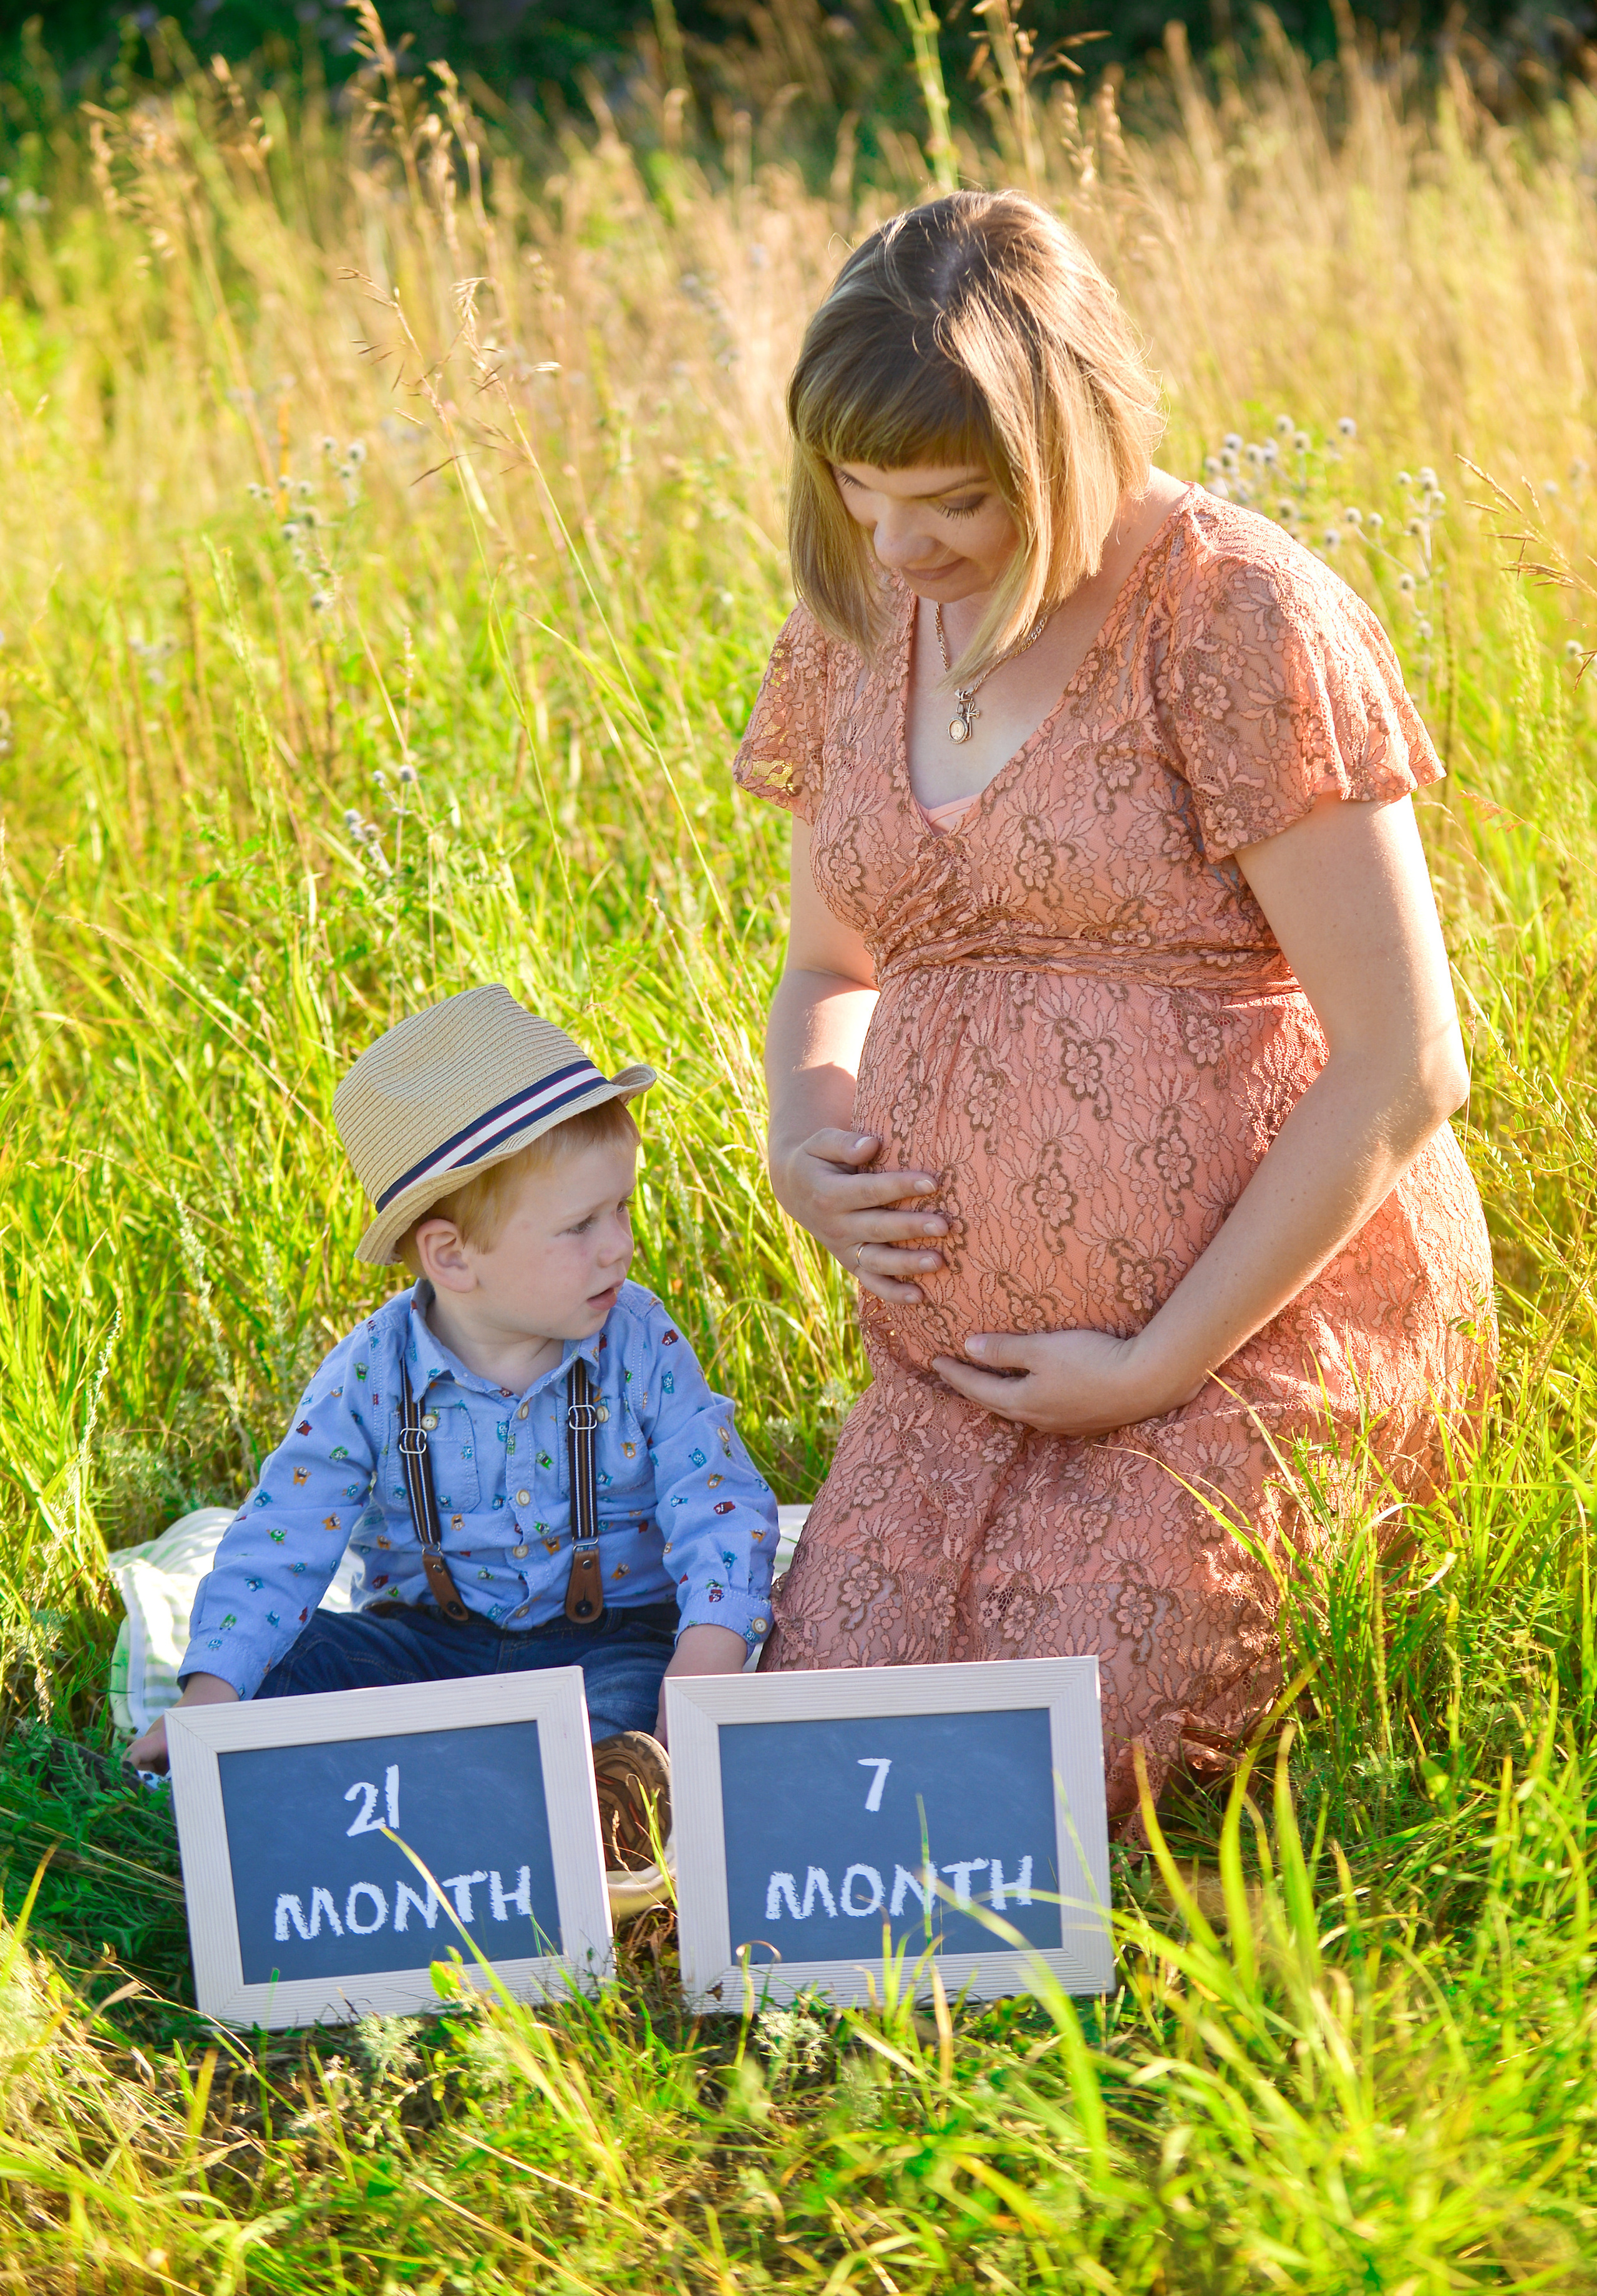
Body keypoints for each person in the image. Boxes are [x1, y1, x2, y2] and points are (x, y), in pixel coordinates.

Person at [735, 190, 1495, 1829]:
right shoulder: (862, 624)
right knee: (815, 1779)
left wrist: (1157, 1358)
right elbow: (829, 967)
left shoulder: (1233, 614)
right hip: (962, 1373)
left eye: (952, 501)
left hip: (1259, 1343)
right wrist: (805, 1131)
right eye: (858, 498)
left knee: (1071, 1769)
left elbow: (1404, 1060)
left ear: (1071, 442)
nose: (900, 549)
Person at [125, 984, 776, 1867]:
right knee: (298, 1663)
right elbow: (282, 1534)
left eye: (621, 1208)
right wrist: (213, 1689)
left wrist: (701, 1662)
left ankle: (596, 1816)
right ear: (452, 1255)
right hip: (426, 1643)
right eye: (580, 1224)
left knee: (630, 1708)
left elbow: (718, 1499)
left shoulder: (641, 1339)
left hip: (604, 1640)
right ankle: (289, 1795)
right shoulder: (371, 1371)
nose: (617, 1245)